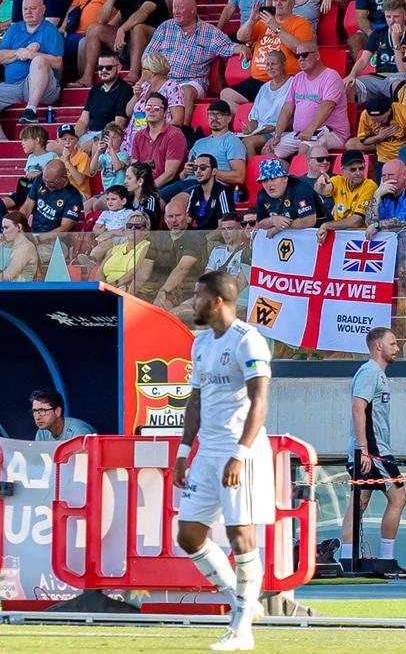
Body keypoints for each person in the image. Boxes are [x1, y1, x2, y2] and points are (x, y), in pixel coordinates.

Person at [174, 272, 274, 652]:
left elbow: (260, 402)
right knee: (188, 535)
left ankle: (241, 628)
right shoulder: (200, 344)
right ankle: (242, 600)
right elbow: (195, 402)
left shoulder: (248, 341)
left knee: (240, 535)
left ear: (216, 301)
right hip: (207, 452)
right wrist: (184, 452)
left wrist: (241, 453)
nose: (193, 301)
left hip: (239, 450)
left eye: (198, 295)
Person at [341, 326, 406, 575]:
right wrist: (364, 450)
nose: (397, 349)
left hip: (375, 448)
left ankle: (347, 559)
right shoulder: (370, 372)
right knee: (398, 498)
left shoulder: (378, 374)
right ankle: (384, 560)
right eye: (392, 344)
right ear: (378, 346)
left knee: (360, 501)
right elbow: (358, 408)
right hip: (373, 450)